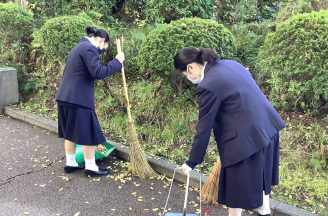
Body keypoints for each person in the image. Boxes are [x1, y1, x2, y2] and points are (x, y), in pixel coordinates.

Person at [174, 48, 285, 216]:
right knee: (262, 182)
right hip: (268, 128)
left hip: (246, 141)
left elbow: (203, 128)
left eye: (185, 76)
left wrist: (192, 162)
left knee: (235, 193)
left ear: (190, 68)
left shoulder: (208, 85)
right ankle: (265, 212)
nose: (189, 79)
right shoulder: (231, 64)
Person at [56, 27, 125, 177]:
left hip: (64, 97)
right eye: (103, 48)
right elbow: (98, 72)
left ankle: (71, 163)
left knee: (70, 132)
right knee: (89, 133)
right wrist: (117, 62)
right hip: (78, 99)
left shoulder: (79, 46)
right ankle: (91, 167)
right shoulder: (89, 48)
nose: (101, 52)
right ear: (101, 40)